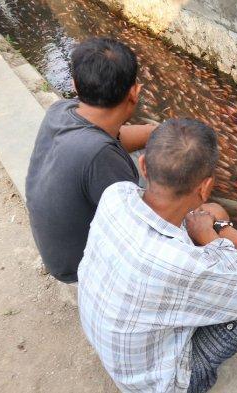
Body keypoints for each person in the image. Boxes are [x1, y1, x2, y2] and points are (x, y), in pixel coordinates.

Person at [78, 118, 237, 392]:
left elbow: (196, 218)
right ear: (205, 186)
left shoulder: (117, 194)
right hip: (161, 383)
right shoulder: (178, 264)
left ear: (144, 165)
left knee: (215, 212)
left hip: (111, 344)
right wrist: (211, 236)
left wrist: (226, 231)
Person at [25, 37, 155, 283]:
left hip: (56, 251)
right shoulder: (100, 156)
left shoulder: (62, 110)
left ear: (75, 85)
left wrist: (158, 132)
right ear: (134, 93)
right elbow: (142, 234)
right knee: (168, 179)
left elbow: (117, 135)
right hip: (77, 267)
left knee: (148, 149)